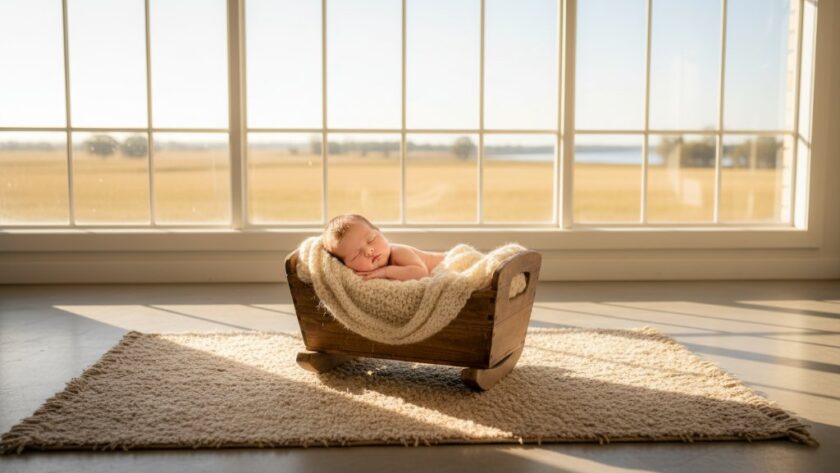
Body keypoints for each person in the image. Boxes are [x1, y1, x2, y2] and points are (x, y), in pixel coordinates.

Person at [321, 214, 445, 281]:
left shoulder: (398, 252)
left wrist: (385, 272)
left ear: (380, 232)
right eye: (356, 255)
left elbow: (421, 273)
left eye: (371, 240)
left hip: (445, 262)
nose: (369, 251)